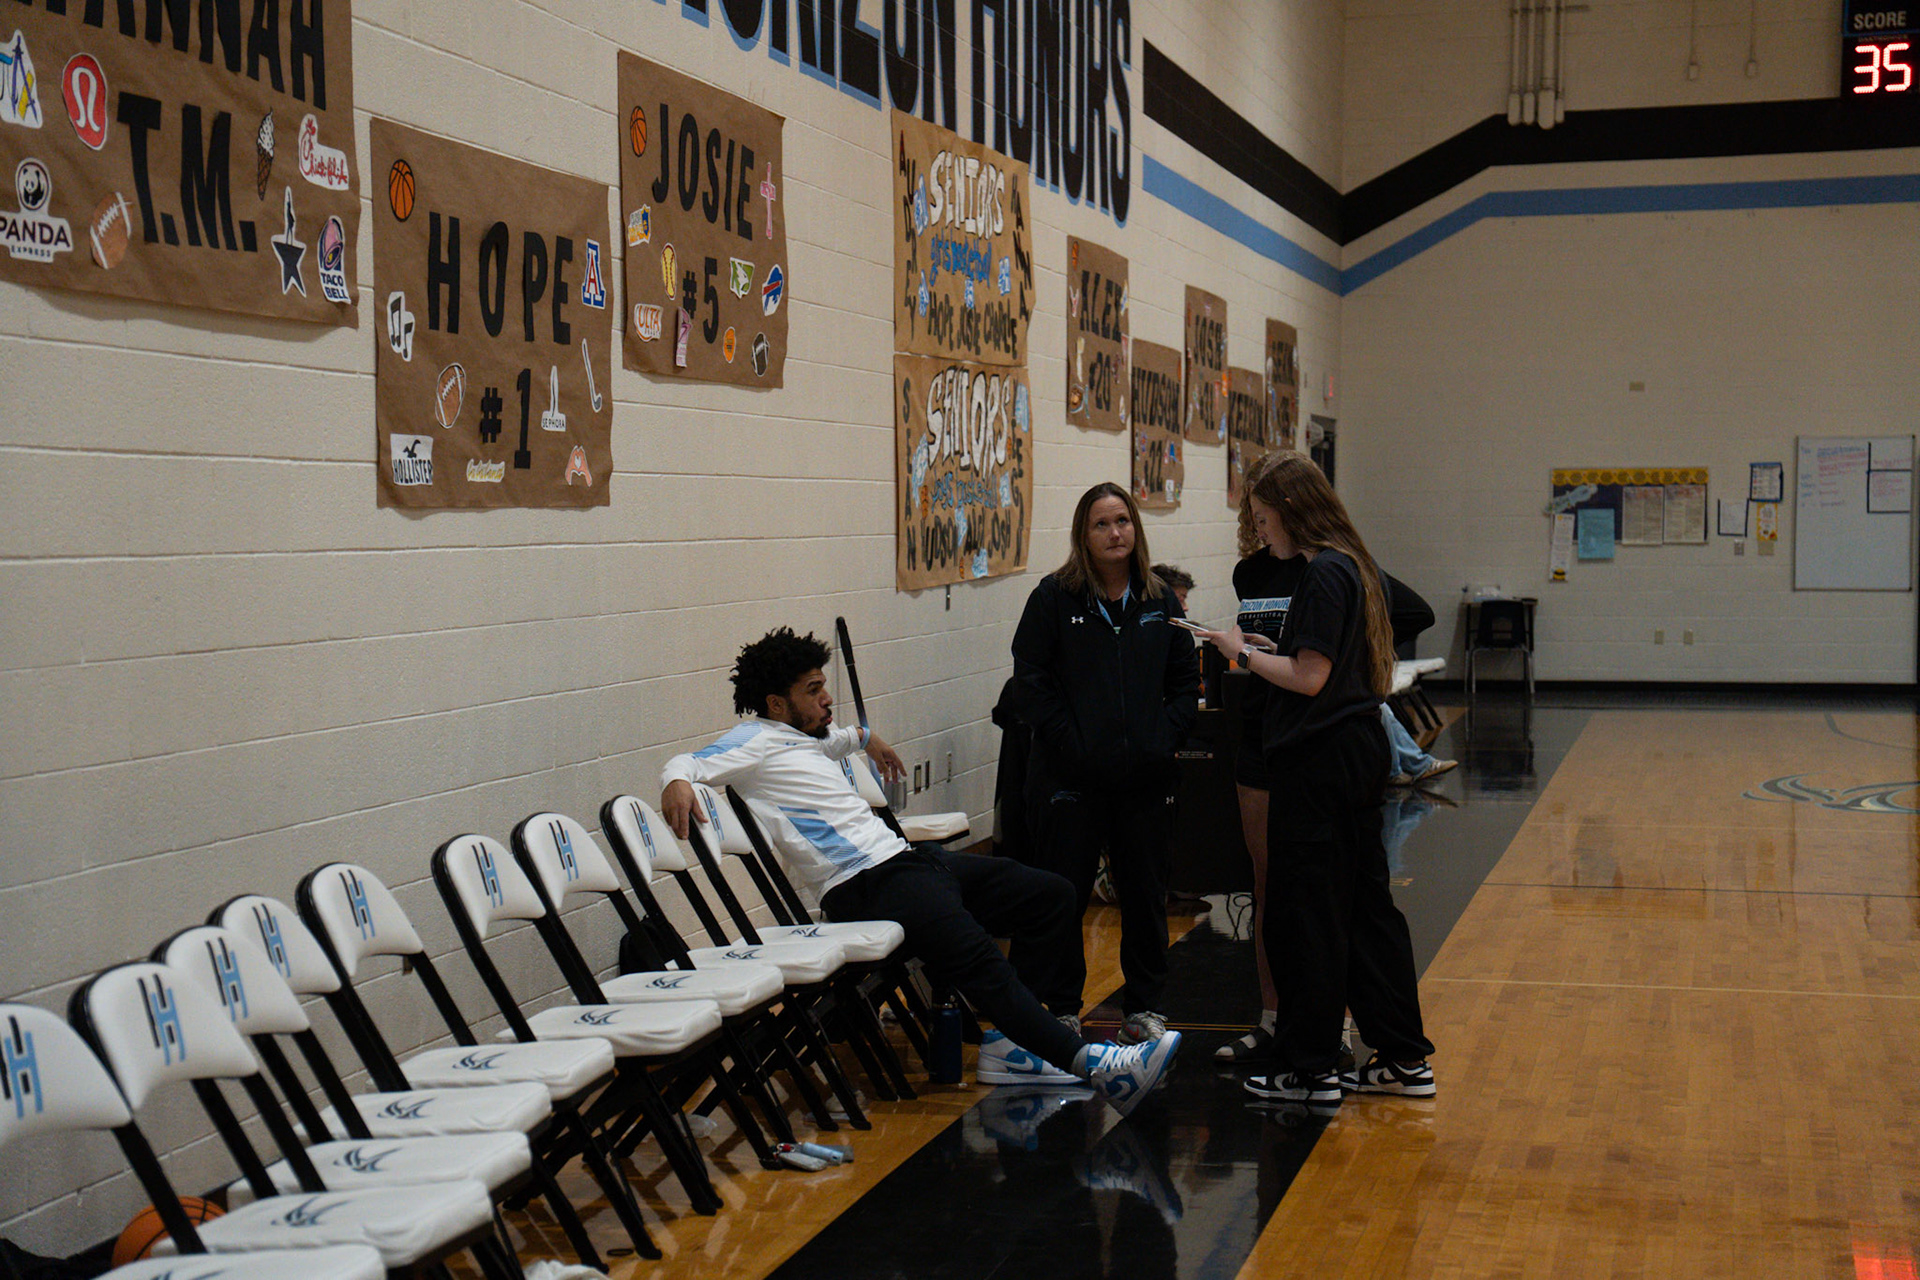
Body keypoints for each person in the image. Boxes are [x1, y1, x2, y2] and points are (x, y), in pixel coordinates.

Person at [659, 627, 1182, 1115]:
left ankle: (1011, 1045)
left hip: (909, 863)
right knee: (979, 958)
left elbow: (839, 738)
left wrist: (867, 738)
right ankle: (1093, 1065)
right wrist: (676, 783)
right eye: (814, 690)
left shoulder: (804, 736)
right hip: (864, 885)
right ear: (776, 704)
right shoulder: (754, 739)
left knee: (1052, 895)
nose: (827, 699)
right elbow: (689, 762)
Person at [1197, 452, 1435, 1105]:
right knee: (1364, 911)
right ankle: (1402, 1057)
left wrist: (1241, 654)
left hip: (1320, 758)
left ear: (1290, 510)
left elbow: (1310, 679)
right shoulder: (1349, 566)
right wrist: (1275, 653)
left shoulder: (1324, 572)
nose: (1259, 531)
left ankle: (1309, 1068)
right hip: (1353, 751)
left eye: (1262, 518)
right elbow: (1318, 663)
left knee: (1308, 914)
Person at [1011, 483, 1199, 1045]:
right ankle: (1062, 1007)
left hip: (1143, 778)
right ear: (1083, 535)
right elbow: (1031, 683)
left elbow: (1184, 681)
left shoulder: (1159, 599)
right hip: (1069, 778)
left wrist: (1161, 739)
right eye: (1102, 524)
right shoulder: (1053, 598)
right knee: (1064, 895)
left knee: (1144, 896)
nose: (1115, 533)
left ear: (1135, 528)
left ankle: (1144, 1008)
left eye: (1123, 521)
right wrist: (1074, 745)